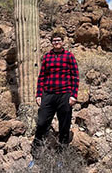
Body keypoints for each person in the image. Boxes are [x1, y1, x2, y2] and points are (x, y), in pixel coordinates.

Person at [30, 27, 79, 160]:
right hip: (48, 95)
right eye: (54, 40)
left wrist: (74, 95)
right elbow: (42, 77)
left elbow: (75, 76)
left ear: (63, 42)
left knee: (64, 125)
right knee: (42, 123)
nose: (56, 42)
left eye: (58, 40)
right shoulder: (47, 57)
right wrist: (39, 94)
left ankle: (61, 156)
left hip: (65, 94)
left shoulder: (69, 56)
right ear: (51, 42)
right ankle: (36, 155)